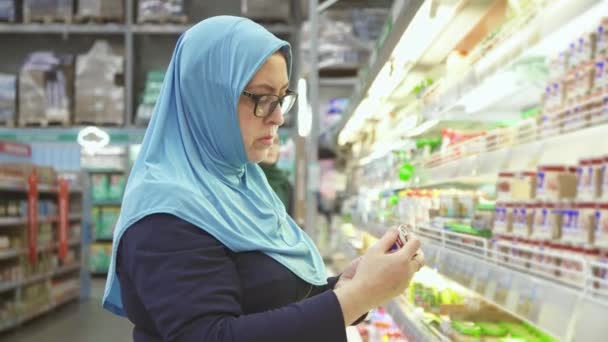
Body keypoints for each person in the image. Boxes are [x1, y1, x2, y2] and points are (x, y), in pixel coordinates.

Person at [102, 16, 424, 342]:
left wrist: (346, 285)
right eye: (262, 97)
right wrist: (359, 296)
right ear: (209, 98)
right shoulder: (165, 213)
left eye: (282, 96)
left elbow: (264, 295)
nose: (278, 116)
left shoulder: (244, 183)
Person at [259, 136, 294, 215]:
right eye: (266, 140)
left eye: (275, 142)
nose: (271, 146)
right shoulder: (245, 180)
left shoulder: (284, 184)